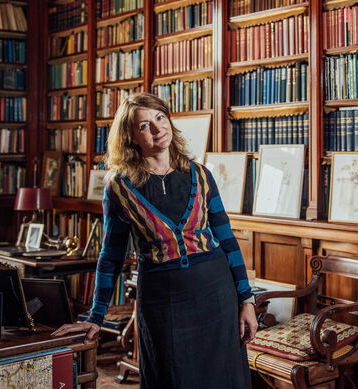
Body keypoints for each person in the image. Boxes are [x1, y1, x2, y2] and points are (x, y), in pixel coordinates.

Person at [53, 92, 257, 389]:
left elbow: (227, 240)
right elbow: (111, 257)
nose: (157, 128)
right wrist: (96, 316)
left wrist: (246, 300)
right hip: (163, 302)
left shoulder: (201, 175)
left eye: (160, 118)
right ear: (131, 137)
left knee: (225, 379)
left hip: (216, 295)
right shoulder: (119, 188)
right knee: (170, 378)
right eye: (144, 125)